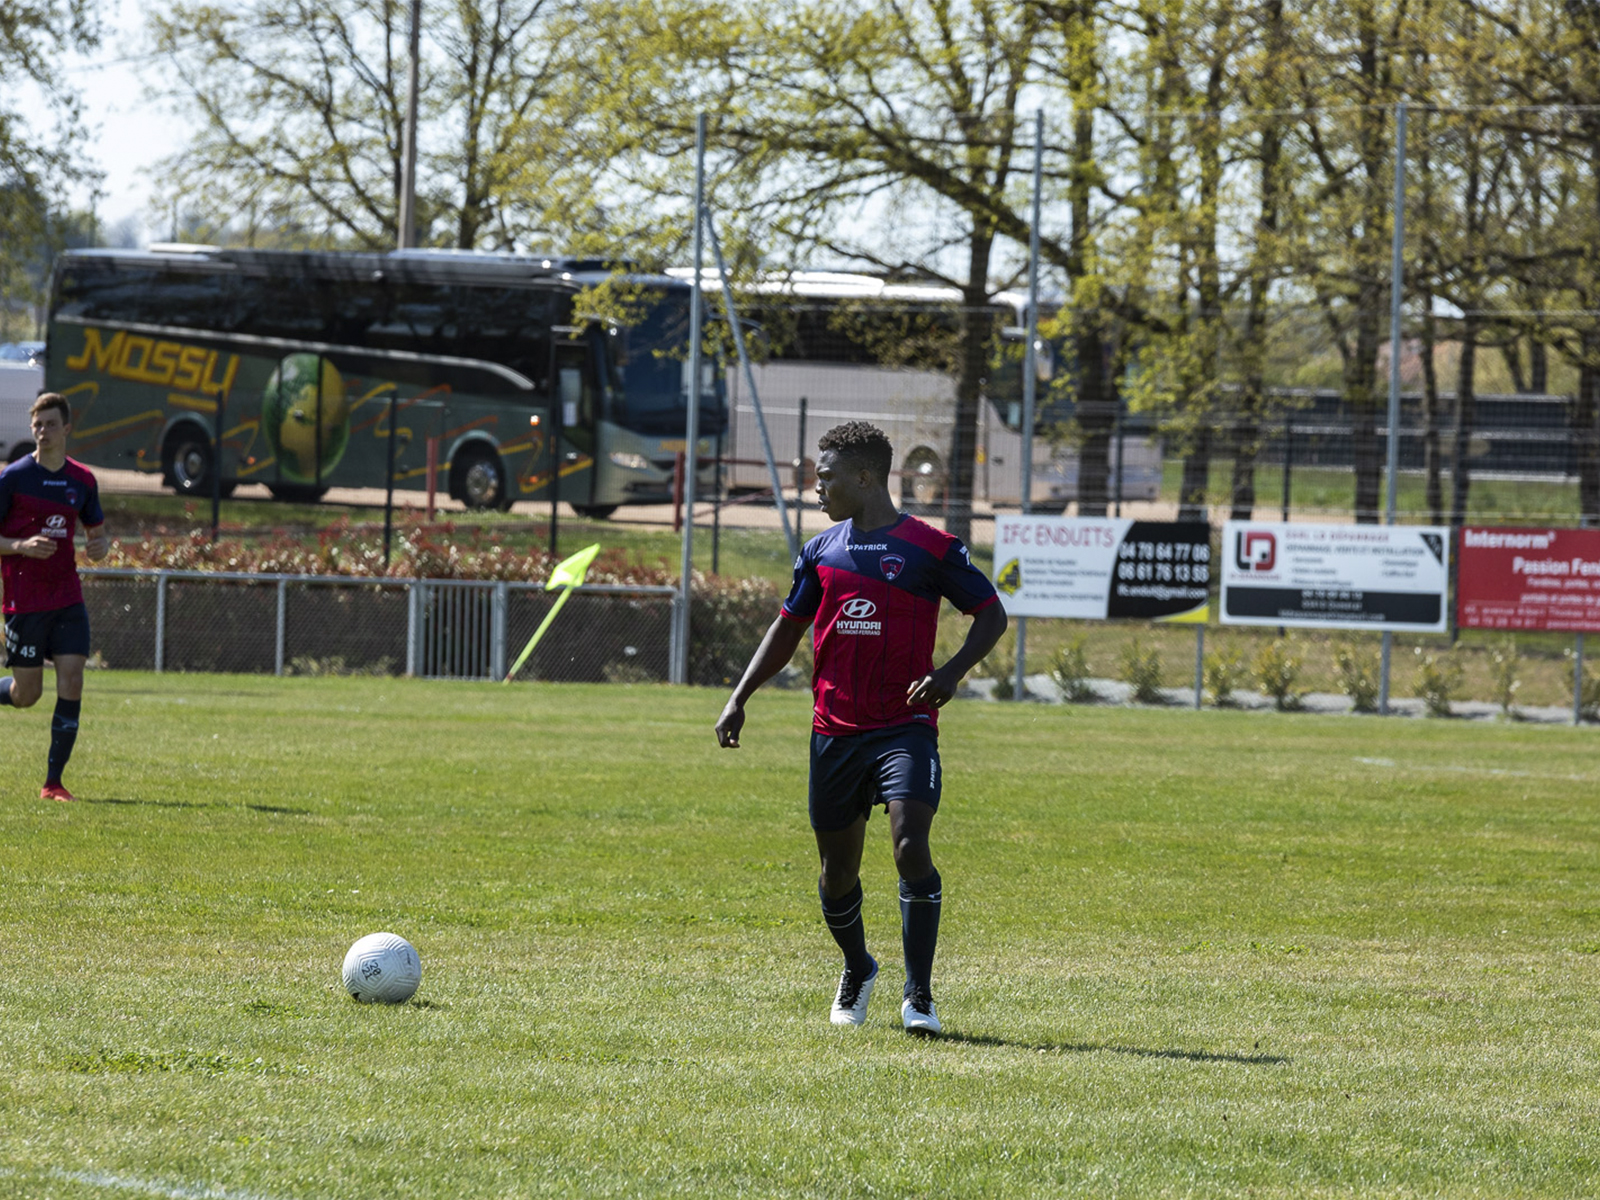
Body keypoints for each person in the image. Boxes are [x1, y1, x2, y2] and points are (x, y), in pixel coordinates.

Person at [715, 421, 1006, 1036]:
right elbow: (787, 628)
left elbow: (991, 613)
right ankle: (858, 965)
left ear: (865, 477)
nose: (816, 488)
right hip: (835, 731)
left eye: (825, 477)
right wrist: (740, 697)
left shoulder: (931, 547)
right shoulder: (821, 552)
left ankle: (919, 995)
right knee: (836, 873)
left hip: (905, 725)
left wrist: (950, 674)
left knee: (909, 845)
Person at [0, 393, 109, 801]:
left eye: (49, 424)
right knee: (26, 695)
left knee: (73, 681)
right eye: (37, 425)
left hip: (67, 598)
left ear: (66, 428)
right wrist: (21, 546)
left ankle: (53, 783)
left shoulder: (82, 480)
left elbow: (97, 534)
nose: (42, 432)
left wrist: (101, 545)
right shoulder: (13, 478)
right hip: (24, 601)